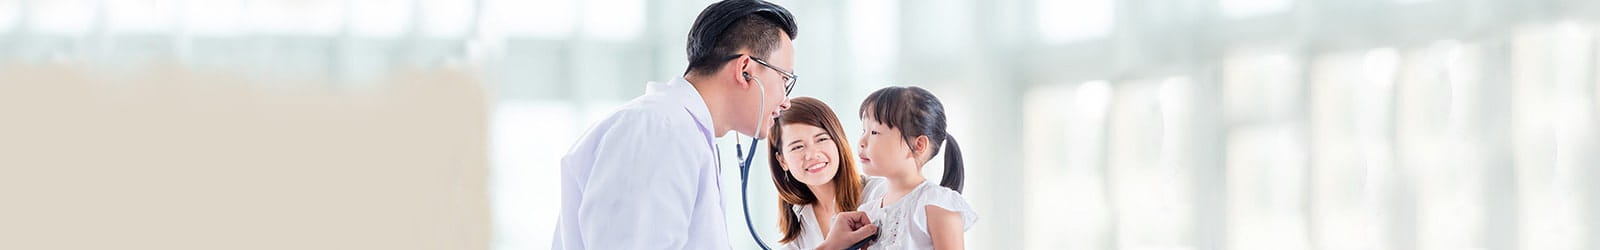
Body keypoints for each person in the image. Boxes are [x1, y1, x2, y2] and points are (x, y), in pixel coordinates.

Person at [552, 0, 877, 249]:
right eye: (784, 79)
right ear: (746, 70)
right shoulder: (661, 130)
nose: (786, 100)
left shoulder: (682, 133)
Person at [854, 86, 978, 249]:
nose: (861, 142)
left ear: (918, 144)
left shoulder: (935, 202)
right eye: (864, 130)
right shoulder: (867, 211)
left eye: (875, 132)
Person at [766, 97, 889, 249]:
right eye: (797, 147)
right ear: (782, 161)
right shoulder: (799, 221)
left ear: (838, 141)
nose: (812, 154)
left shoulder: (881, 196)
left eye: (821, 139)